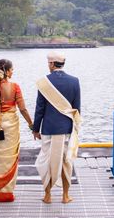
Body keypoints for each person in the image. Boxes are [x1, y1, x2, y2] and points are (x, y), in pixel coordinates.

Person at [32, 51, 81, 204]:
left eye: (49, 63)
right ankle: (65, 196)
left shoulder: (43, 82)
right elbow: (76, 108)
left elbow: (39, 108)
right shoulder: (75, 81)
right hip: (66, 128)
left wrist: (35, 128)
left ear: (52, 64)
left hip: (48, 128)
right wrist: (75, 128)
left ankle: (48, 195)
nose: (48, 66)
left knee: (46, 161)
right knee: (66, 161)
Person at [0, 58, 33, 202]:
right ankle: (6, 192)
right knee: (9, 158)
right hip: (10, 124)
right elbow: (22, 108)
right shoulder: (15, 87)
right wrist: (31, 125)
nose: (13, 72)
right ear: (7, 71)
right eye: (12, 69)